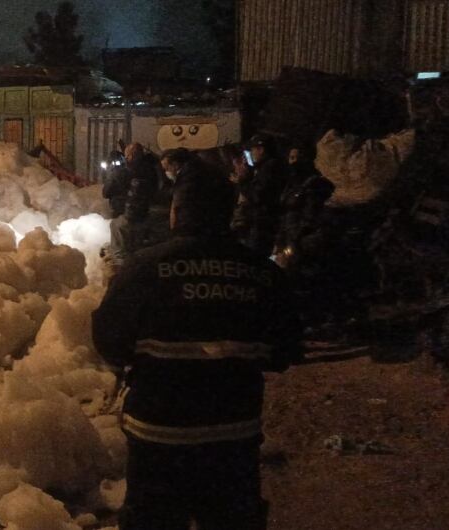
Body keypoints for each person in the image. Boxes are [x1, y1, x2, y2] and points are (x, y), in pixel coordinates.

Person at [92, 175, 303, 530]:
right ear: (228, 214)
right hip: (232, 435)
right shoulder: (262, 273)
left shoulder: (143, 268)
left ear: (177, 212)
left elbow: (109, 341)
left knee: (153, 521)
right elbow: (285, 350)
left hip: (158, 435)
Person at [107, 143, 163, 270]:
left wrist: (114, 173)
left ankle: (121, 270)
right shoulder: (152, 168)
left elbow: (107, 191)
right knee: (136, 244)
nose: (125, 159)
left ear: (131, 156)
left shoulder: (126, 172)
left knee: (118, 232)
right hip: (148, 212)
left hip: (131, 212)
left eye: (127, 156)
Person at [231, 134, 287, 256]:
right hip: (261, 223)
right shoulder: (263, 168)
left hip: (263, 225)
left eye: (253, 150)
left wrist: (242, 181)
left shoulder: (270, 168)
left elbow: (257, 196)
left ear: (261, 150)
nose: (251, 154)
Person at [102, 150, 129, 218]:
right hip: (130, 207)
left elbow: (105, 193)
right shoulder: (129, 170)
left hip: (118, 207)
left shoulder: (114, 175)